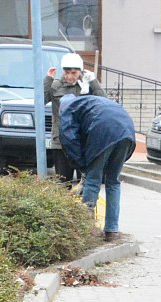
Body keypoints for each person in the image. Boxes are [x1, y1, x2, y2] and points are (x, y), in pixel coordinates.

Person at [58, 75, 136, 243]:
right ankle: (112, 231)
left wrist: (81, 165)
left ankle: (87, 231)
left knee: (93, 180)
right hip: (127, 130)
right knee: (113, 182)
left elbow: (69, 138)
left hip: (104, 132)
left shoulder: (67, 108)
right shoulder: (89, 102)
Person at [46, 53, 105, 183]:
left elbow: (104, 103)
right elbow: (39, 102)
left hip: (83, 141)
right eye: (67, 72)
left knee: (84, 182)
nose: (70, 76)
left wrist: (94, 82)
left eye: (74, 72)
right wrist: (48, 80)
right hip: (61, 142)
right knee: (62, 182)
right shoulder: (56, 85)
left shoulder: (87, 85)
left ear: (80, 71)